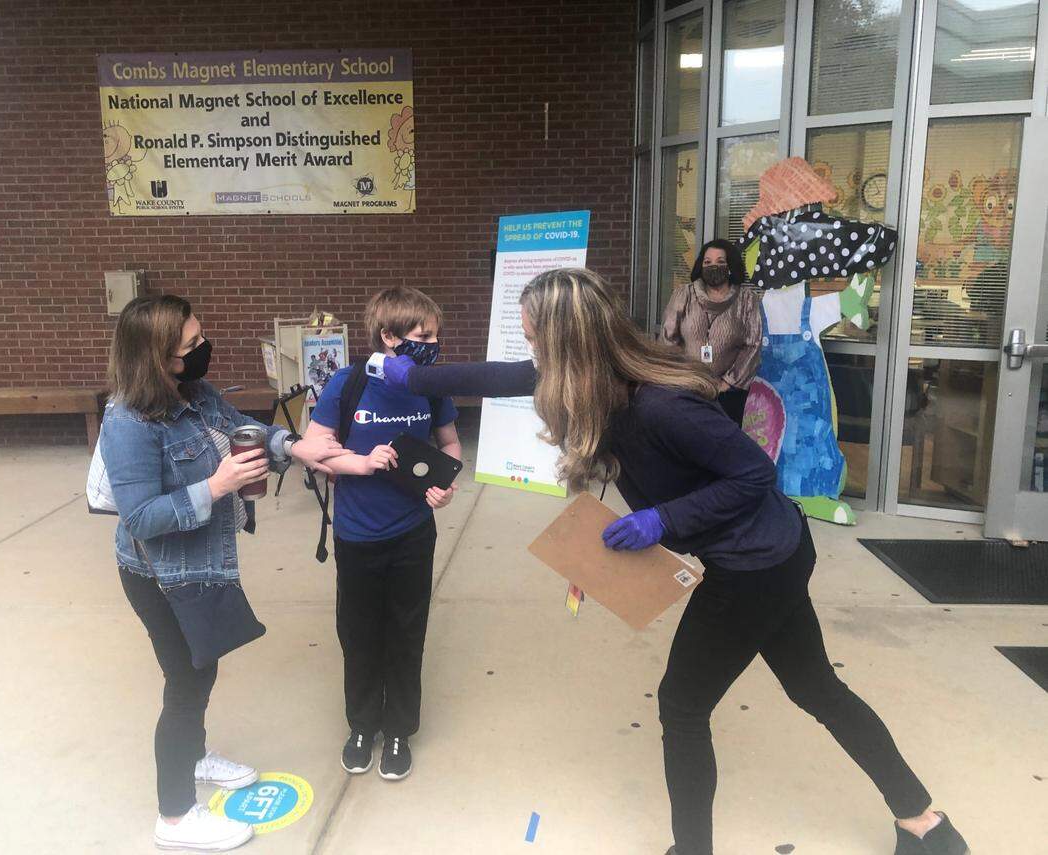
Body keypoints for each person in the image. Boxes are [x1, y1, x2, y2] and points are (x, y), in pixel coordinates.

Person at [381, 269, 967, 855]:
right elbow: (502, 375)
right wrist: (415, 377)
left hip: (753, 564)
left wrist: (663, 520)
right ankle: (926, 824)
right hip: (774, 552)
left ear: (563, 341)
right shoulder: (598, 374)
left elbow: (754, 473)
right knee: (817, 688)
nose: (529, 348)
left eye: (534, 337)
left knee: (682, 707)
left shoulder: (660, 407)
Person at [102, 295, 351, 852]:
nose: (202, 350)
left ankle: (193, 754)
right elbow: (140, 517)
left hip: (199, 564)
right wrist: (217, 486)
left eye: (199, 338)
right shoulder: (128, 422)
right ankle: (174, 816)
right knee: (185, 683)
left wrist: (296, 445)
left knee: (201, 668)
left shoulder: (198, 395)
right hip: (157, 572)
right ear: (156, 357)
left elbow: (242, 427)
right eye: (190, 346)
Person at [301, 285, 461, 783]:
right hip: (358, 534)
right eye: (422, 335)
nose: (432, 344)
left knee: (407, 632)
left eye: (436, 335)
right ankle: (362, 726)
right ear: (388, 337)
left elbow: (450, 443)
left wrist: (445, 485)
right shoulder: (348, 384)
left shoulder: (430, 385)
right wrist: (363, 464)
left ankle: (398, 730)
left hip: (413, 532)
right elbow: (311, 447)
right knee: (359, 633)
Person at [661, 239, 762, 425]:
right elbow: (668, 339)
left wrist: (727, 383)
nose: (713, 266)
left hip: (728, 394)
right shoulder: (684, 294)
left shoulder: (747, 300)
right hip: (687, 389)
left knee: (723, 447)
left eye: (720, 262)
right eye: (707, 262)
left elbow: (753, 345)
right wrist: (683, 377)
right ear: (701, 266)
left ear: (730, 265)